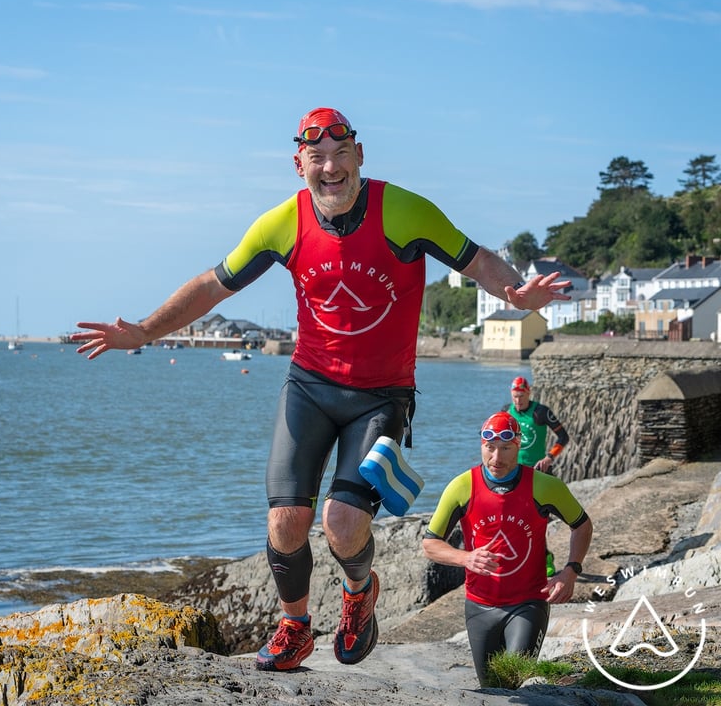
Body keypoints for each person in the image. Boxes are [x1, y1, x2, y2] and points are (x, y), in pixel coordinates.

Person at [70, 107, 571, 672]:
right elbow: (214, 286)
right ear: (299, 164)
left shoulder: (404, 212)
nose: (330, 168)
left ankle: (359, 591)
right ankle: (295, 627)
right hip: (309, 386)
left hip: (382, 395)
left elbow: (475, 260)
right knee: (286, 522)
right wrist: (144, 332)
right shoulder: (282, 224)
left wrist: (515, 294)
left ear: (360, 156)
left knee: (342, 523)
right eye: (317, 158)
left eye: (341, 155)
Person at [422, 411, 592, 687]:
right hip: (479, 605)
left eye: (505, 448)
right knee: (491, 689)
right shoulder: (462, 487)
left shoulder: (544, 486)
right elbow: (430, 544)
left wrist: (570, 571)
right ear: (481, 445)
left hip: (528, 603)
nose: (496, 458)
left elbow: (582, 526)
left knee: (514, 682)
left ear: (518, 446)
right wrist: (466, 557)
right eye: (490, 448)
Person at [504, 375, 570, 576]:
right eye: (515, 397)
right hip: (514, 473)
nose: (518, 401)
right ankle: (519, 558)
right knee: (513, 518)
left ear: (528, 394)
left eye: (521, 396)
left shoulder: (540, 412)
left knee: (537, 518)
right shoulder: (506, 412)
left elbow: (563, 436)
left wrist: (550, 457)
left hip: (538, 472)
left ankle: (546, 558)